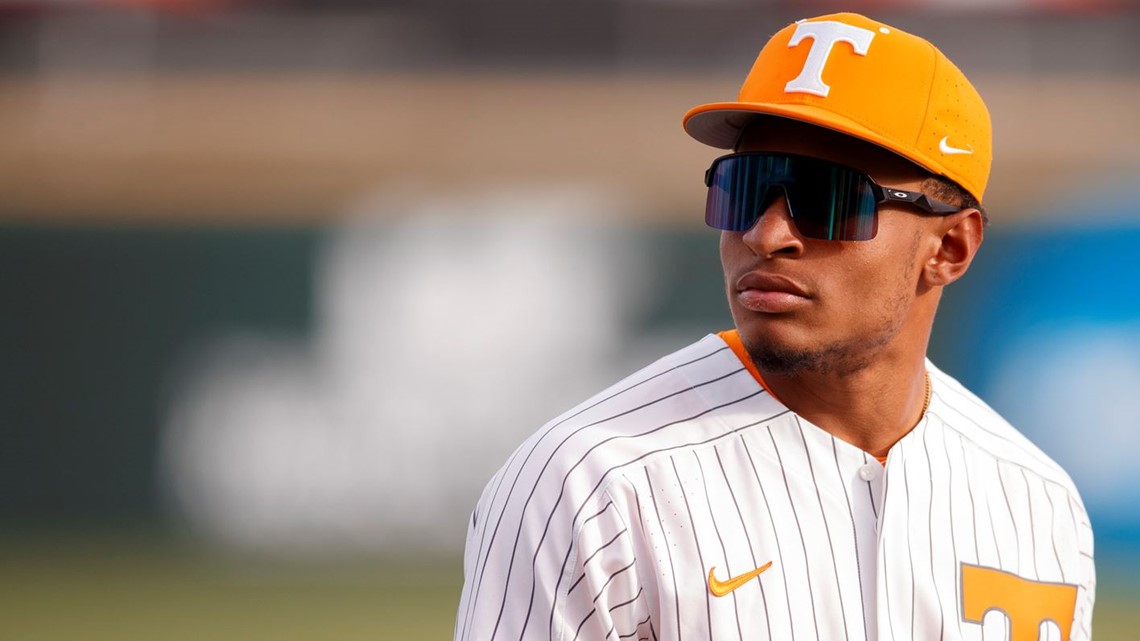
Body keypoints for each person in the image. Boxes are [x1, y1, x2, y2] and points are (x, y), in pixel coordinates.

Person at [454, 12, 1094, 641]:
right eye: (743, 188)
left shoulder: (1037, 502)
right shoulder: (593, 483)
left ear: (950, 247)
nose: (766, 234)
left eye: (828, 200)